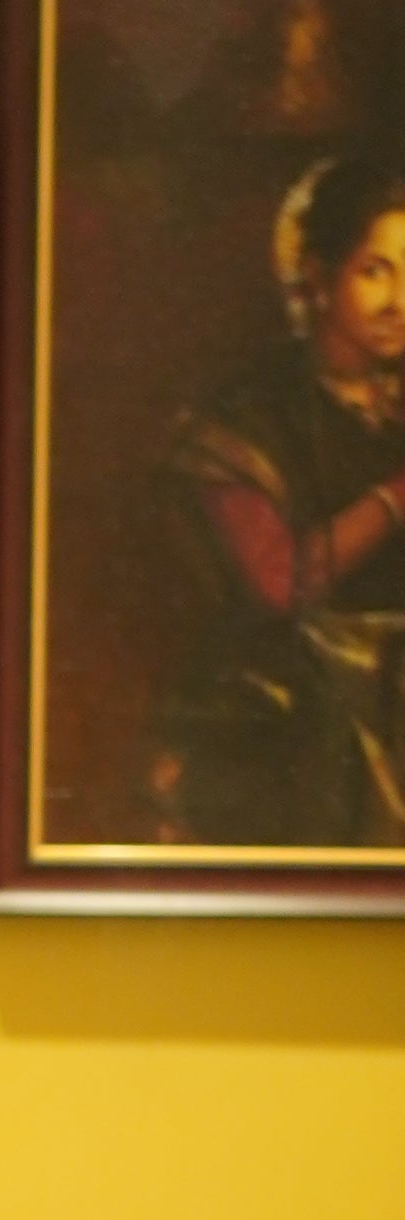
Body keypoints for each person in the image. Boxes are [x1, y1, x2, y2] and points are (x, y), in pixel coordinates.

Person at [154, 154, 405, 846]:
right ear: (319, 278)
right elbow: (278, 584)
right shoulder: (249, 417)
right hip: (295, 709)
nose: (400, 302)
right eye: (375, 272)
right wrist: (394, 499)